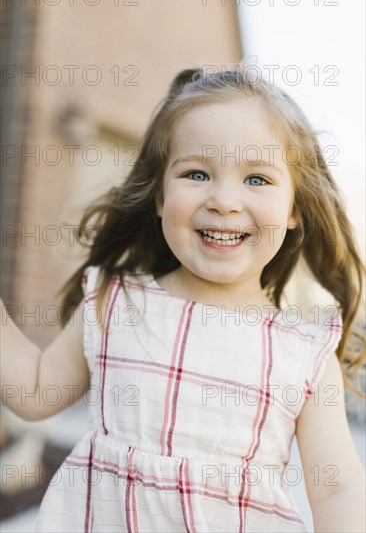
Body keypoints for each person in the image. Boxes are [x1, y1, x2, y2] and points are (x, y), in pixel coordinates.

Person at [1, 65, 365, 532]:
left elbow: (337, 488)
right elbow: (34, 391)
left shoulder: (304, 354)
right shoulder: (115, 301)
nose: (224, 200)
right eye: (196, 173)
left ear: (295, 208)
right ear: (159, 196)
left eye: (257, 179)